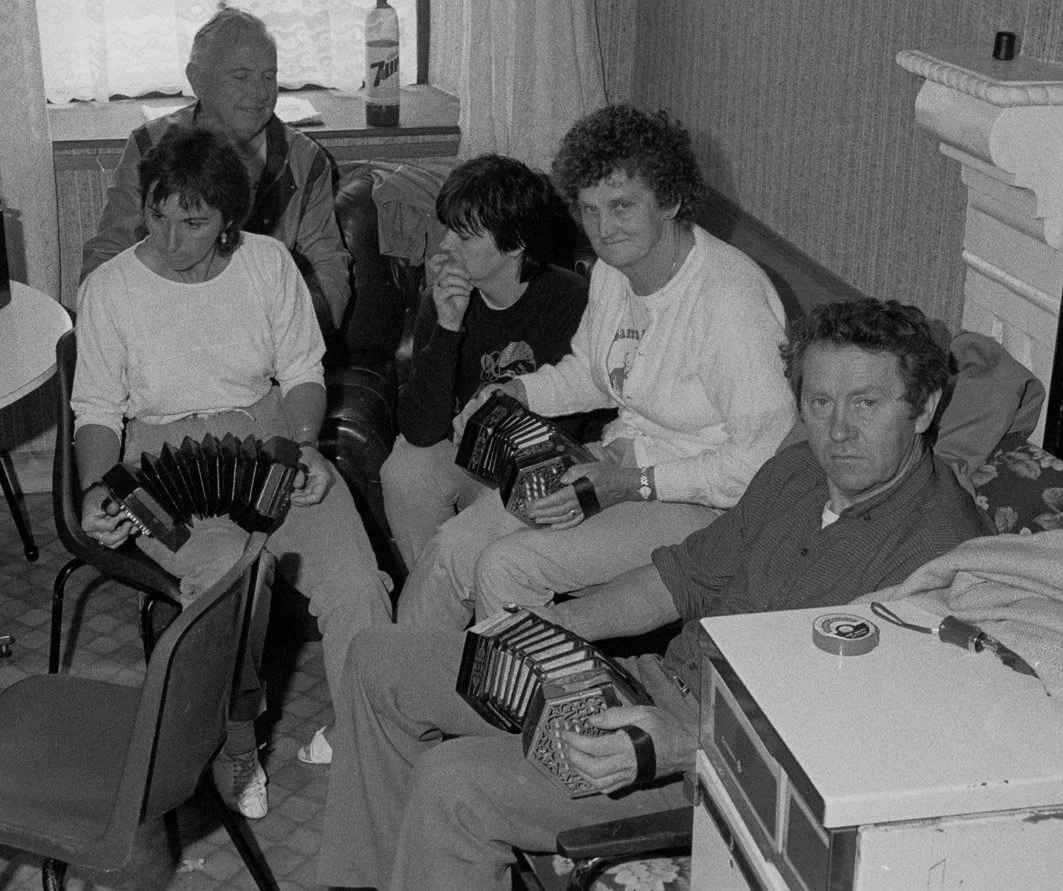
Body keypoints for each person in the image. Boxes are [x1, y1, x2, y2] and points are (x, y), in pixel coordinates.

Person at [318, 298, 996, 889]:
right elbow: (682, 577)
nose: (837, 429)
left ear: (924, 407)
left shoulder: (940, 559)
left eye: (866, 403)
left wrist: (680, 745)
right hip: (654, 685)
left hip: (717, 768)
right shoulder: (796, 472)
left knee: (452, 782)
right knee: (380, 658)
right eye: (819, 403)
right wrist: (552, 625)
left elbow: (856, 742)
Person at [72, 126, 392, 821]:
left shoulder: (268, 264)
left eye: (192, 223)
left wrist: (305, 444)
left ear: (228, 222)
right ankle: (236, 743)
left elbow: (302, 373)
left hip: (271, 435)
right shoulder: (110, 288)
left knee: (357, 584)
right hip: (160, 457)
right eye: (157, 214)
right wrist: (98, 486)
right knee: (231, 584)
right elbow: (96, 409)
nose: (168, 238)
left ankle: (370, 736)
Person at [394, 104, 797, 630]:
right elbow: (591, 371)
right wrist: (517, 392)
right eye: (589, 209)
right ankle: (409, 674)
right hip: (615, 463)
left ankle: (510, 682)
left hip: (708, 506)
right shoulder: (612, 272)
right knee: (454, 549)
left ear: (670, 200)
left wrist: (633, 483)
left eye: (622, 206)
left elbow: (762, 463)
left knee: (505, 566)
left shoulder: (728, 300)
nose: (604, 229)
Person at [80, 8, 349, 338]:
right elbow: (108, 255)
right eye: (241, 77)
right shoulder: (151, 145)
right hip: (163, 328)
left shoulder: (305, 161)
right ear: (197, 80)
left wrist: (290, 336)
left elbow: (328, 268)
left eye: (269, 76)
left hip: (264, 334)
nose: (261, 93)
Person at [382, 153, 591, 572]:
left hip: (543, 472)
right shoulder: (443, 299)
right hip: (469, 459)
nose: (445, 245)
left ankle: (448, 588)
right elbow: (422, 431)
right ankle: (436, 589)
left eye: (464, 236)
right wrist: (447, 326)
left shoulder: (570, 300)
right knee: (404, 469)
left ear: (515, 243)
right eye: (448, 230)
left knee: (472, 535)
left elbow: (568, 432)